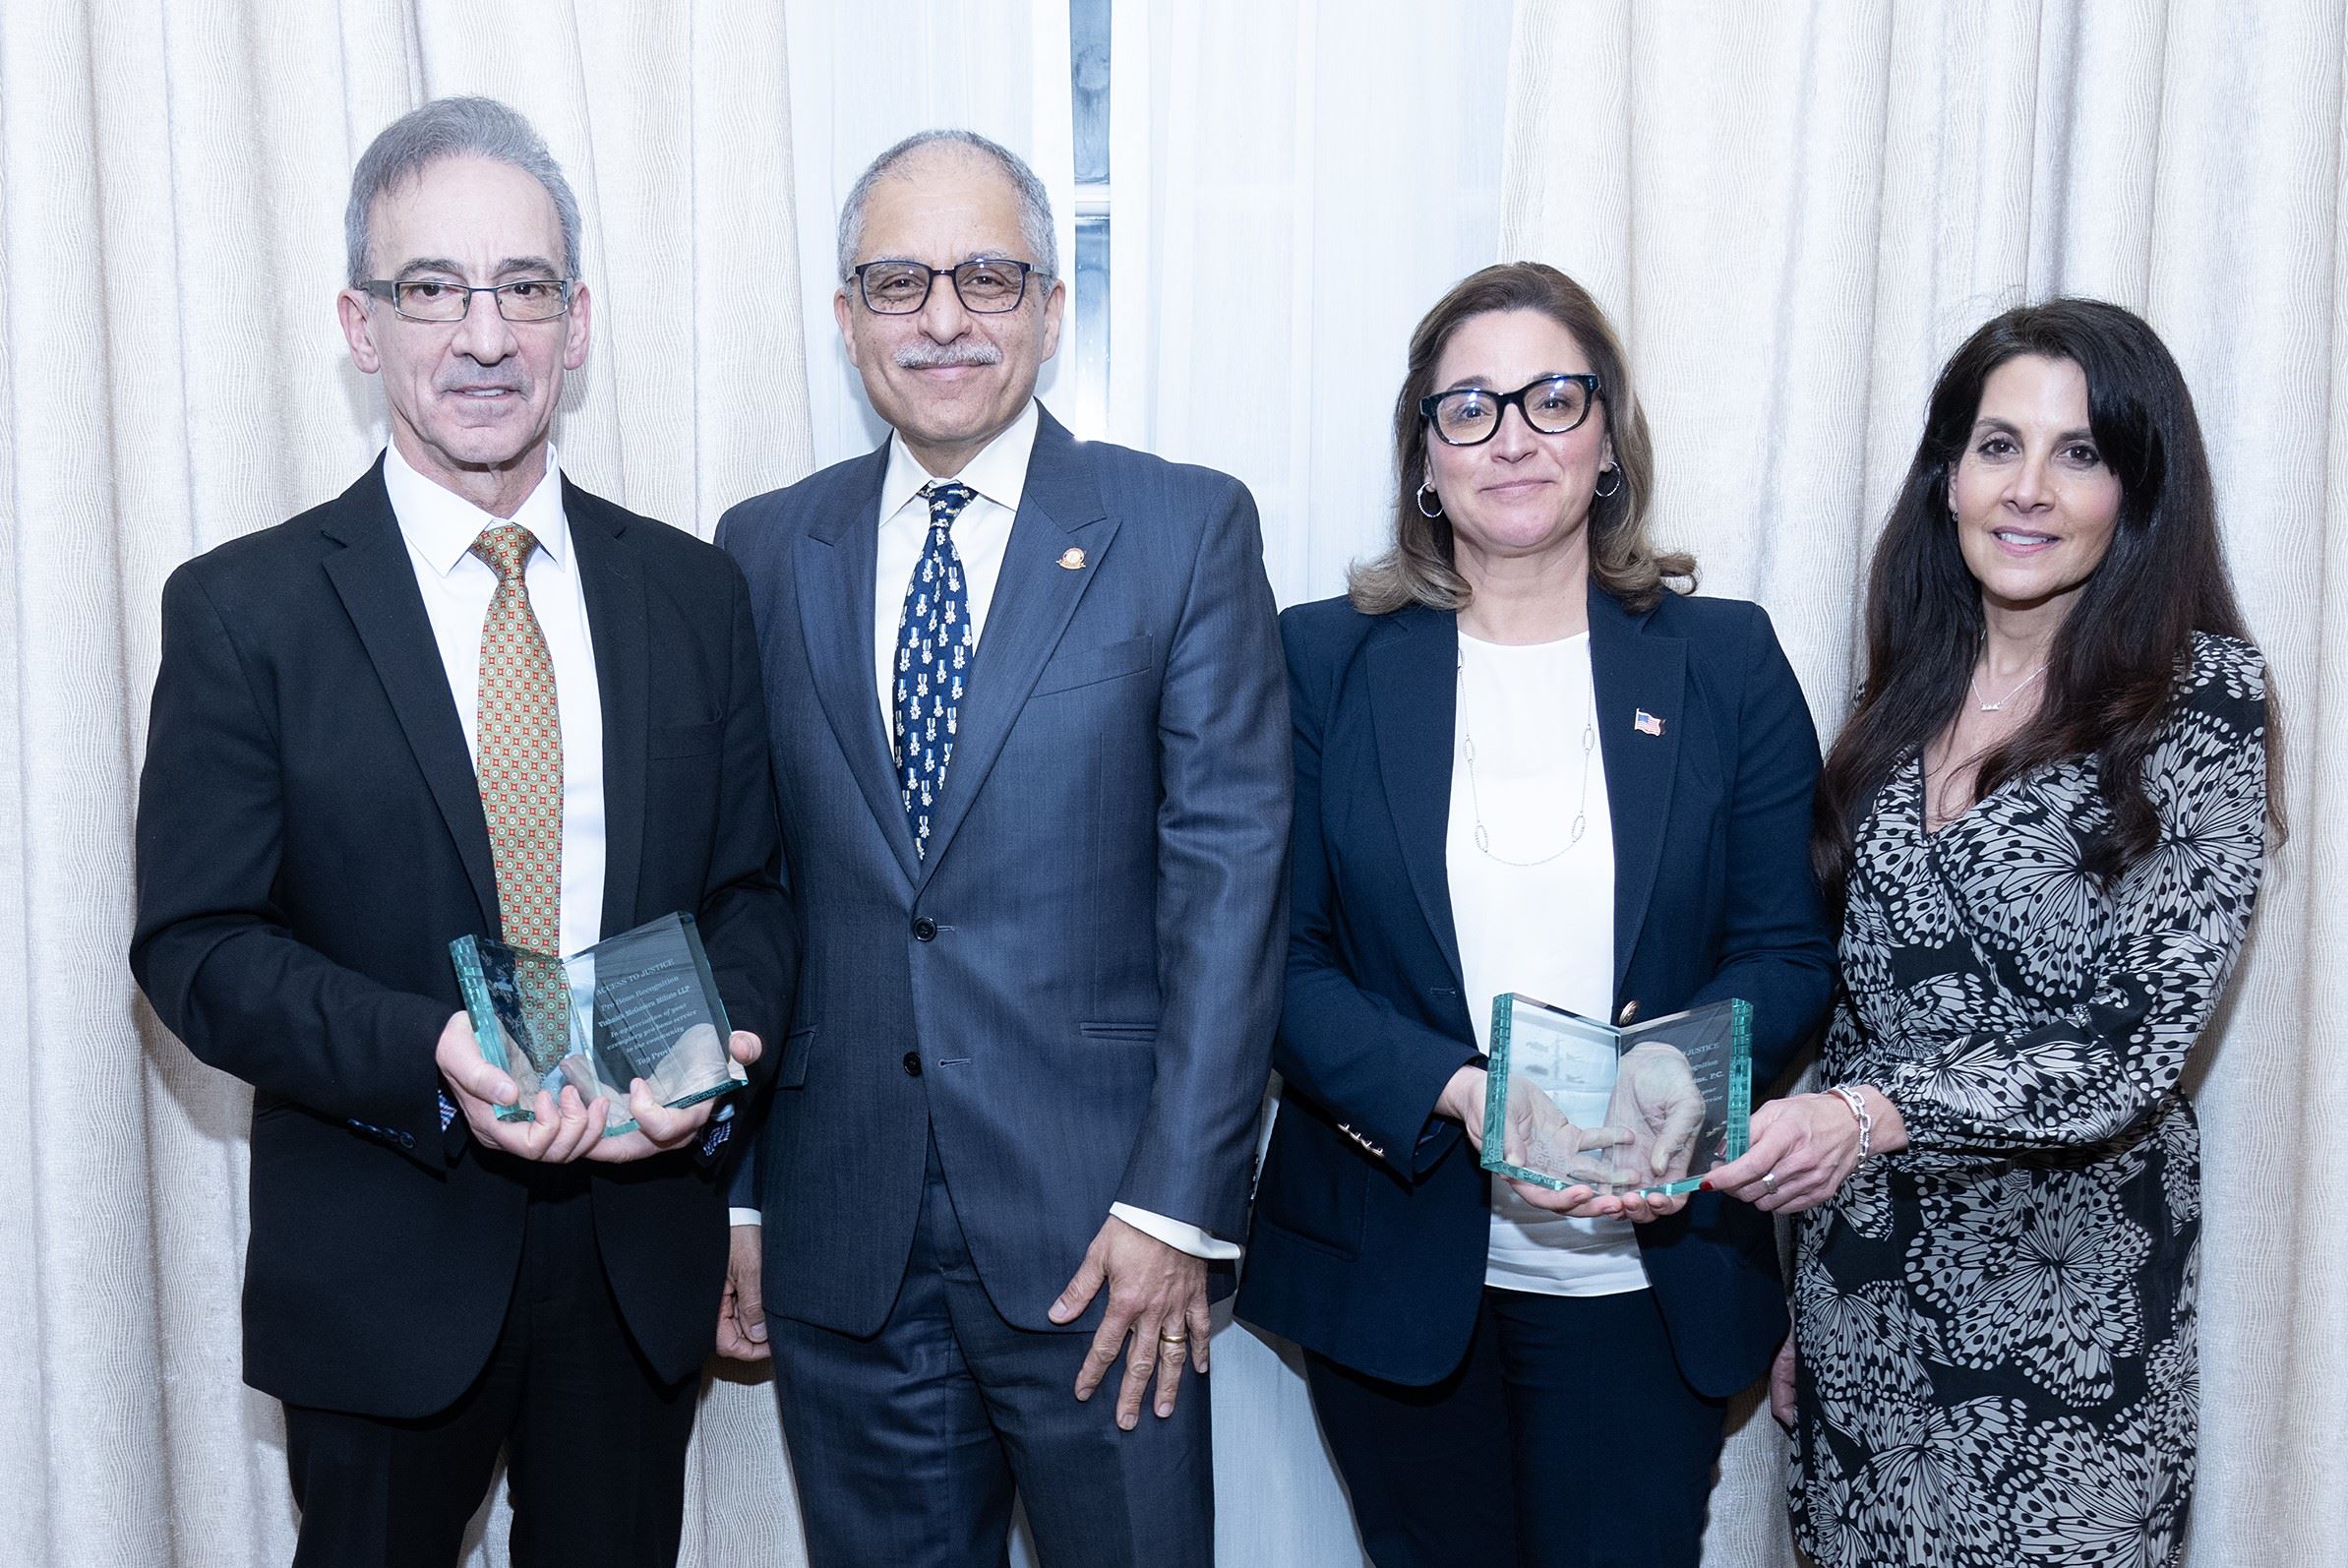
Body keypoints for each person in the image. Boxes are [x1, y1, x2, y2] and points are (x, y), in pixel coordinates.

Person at [129, 97, 793, 1568]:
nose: (483, 334)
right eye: (434, 287)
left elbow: (755, 892)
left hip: (637, 1247)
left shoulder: (692, 596)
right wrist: (429, 1048)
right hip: (383, 1252)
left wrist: (714, 1054)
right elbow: (199, 948)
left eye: (525, 286)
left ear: (578, 322)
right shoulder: (247, 611)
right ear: (363, 326)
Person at [713, 130, 1288, 1568]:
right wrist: (735, 1188)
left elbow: (1230, 886)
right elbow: (745, 887)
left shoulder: (1182, 527)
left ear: (1047, 303)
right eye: (899, 281)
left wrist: (1178, 1204)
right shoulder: (765, 548)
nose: (945, 316)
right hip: (842, 1235)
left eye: (986, 274)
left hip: (1110, 1242)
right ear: (847, 321)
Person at [1234, 261, 1836, 1568]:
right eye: (1470, 408)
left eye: (1552, 399)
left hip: (1651, 1269)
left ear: (1607, 439)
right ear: (1423, 461)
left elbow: (1788, 949)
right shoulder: (1322, 659)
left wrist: (1663, 1091)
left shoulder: (1724, 659)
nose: (1512, 435)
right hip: (1398, 1259)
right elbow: (1279, 960)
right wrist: (1460, 1088)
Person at [1706, 299, 2275, 1567]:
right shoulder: (1900, 695)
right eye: (1996, 445)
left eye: (2079, 453)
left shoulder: (2201, 700)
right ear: (1947, 475)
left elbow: (2130, 1052)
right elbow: (1863, 1019)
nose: (2028, 490)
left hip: (2067, 1345)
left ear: (2138, 490)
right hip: (1866, 1315)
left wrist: (1865, 1123)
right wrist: (1803, 1286)